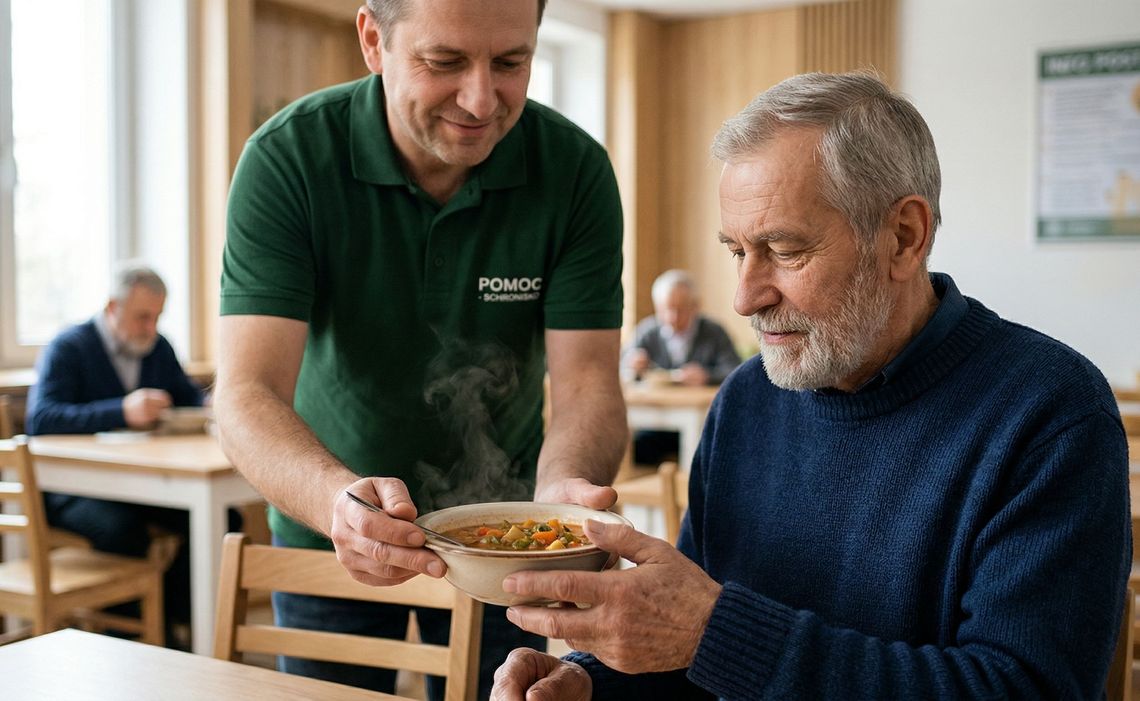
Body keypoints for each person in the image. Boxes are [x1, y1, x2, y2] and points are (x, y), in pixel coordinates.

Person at [490, 72, 1131, 700]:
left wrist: (715, 634)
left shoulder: (1051, 413)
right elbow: (688, 650)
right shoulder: (746, 399)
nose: (744, 297)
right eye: (737, 251)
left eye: (785, 250)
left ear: (904, 237)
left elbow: (1023, 687)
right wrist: (591, 681)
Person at [211, 0, 626, 698]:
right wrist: (334, 500)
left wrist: (559, 502)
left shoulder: (575, 170)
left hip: (499, 546)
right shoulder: (289, 158)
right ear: (374, 40)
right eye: (445, 62)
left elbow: (587, 383)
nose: (480, 99)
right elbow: (244, 393)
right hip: (327, 532)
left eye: (511, 63)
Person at [25, 263, 205, 646]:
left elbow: (190, 397)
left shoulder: (158, 347)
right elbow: (41, 417)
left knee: (221, 520)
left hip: (137, 486)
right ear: (112, 307)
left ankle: (174, 617)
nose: (150, 328)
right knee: (122, 531)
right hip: (70, 492)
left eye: (157, 317)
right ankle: (122, 639)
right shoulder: (69, 347)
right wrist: (122, 410)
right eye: (142, 317)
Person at [623, 269, 741, 464]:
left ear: (695, 306)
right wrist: (632, 365)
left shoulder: (713, 332)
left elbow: (735, 370)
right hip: (657, 422)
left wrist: (707, 376)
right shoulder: (648, 331)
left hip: (703, 423)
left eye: (680, 309)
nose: (672, 317)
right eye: (665, 310)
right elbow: (623, 366)